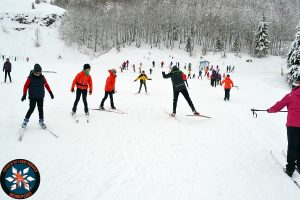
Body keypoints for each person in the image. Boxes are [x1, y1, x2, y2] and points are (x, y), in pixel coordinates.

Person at [267, 76, 300, 177]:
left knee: (292, 146)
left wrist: (270, 110)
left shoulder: (291, 95)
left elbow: (279, 106)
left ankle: (290, 169)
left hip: (292, 125)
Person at [21, 64, 54, 128]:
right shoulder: (30, 78)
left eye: (40, 73)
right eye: (37, 73)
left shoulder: (42, 78)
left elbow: (46, 85)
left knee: (40, 108)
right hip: (32, 96)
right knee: (31, 108)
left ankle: (41, 121)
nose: (39, 74)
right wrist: (24, 94)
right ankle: (25, 121)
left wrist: (50, 92)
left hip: (40, 96)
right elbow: (25, 86)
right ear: (34, 72)